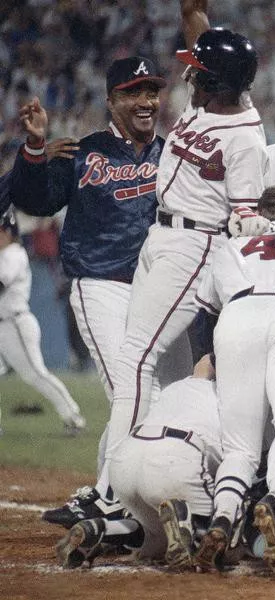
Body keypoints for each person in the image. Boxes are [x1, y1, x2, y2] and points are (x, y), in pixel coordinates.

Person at [105, 0, 269, 501]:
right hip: (161, 239)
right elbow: (200, 31)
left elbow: (244, 221)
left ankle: (111, 491)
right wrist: (193, 12)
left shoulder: (245, 139)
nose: (188, 76)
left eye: (199, 72)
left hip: (195, 245)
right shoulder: (212, 102)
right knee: (161, 373)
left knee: (134, 361)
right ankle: (154, 473)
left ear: (216, 84)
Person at [10, 55, 168, 525]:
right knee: (132, 387)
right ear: (111, 100)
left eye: (151, 91)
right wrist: (35, 150)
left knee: (147, 395)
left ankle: (103, 489)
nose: (145, 102)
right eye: (132, 93)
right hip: (101, 284)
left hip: (159, 291)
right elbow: (35, 201)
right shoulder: (83, 151)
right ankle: (109, 494)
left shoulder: (176, 152)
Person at [192, 186, 275, 578]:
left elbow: (202, 315)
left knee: (241, 447)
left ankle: (225, 515)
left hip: (238, 313)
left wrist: (210, 359)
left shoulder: (229, 245)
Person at [54, 355, 222, 570]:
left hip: (124, 463)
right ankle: (190, 524)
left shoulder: (177, 386)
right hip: (175, 461)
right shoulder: (235, 400)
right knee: (222, 541)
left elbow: (205, 365)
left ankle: (102, 530)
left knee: (156, 537)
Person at [0, 207, 85, 434]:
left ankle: (73, 416)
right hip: (5, 324)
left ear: (8, 231)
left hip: (15, 324)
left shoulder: (14, 254)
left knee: (35, 374)